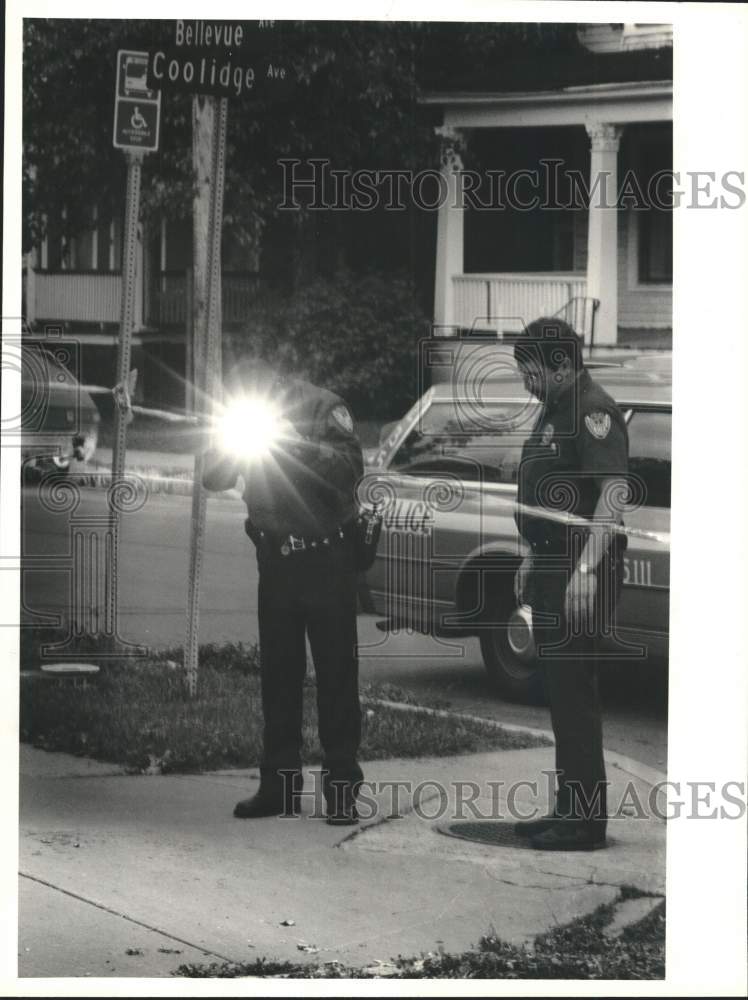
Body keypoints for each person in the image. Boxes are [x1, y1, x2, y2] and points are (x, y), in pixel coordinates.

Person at [202, 359, 365, 825]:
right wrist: (231, 441)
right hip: (275, 562)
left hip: (327, 559)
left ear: (275, 387)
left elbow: (350, 467)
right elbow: (212, 477)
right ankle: (279, 786)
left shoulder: (323, 407)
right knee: (278, 678)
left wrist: (293, 443)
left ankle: (341, 791)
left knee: (335, 678)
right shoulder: (244, 418)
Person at [512, 318, 630, 851]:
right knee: (559, 692)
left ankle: (586, 824)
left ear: (561, 364)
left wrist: (583, 573)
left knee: (575, 692)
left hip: (583, 567)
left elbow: (611, 497)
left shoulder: (592, 410)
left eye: (531, 370)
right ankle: (567, 807)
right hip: (553, 563)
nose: (525, 381)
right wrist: (530, 555)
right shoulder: (555, 410)